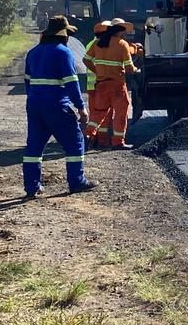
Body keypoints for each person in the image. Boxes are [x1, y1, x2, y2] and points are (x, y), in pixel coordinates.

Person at [23, 16, 96, 198]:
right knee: (75, 142)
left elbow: (27, 82)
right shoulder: (63, 53)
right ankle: (77, 181)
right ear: (64, 35)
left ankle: (32, 186)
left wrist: (35, 98)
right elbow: (72, 83)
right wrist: (81, 107)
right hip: (56, 105)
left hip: (34, 105)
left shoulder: (33, 53)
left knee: (34, 147)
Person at [82, 17, 139, 149]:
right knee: (121, 113)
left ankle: (88, 135)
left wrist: (98, 71)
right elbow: (129, 68)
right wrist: (136, 70)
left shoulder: (99, 43)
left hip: (101, 84)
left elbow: (86, 60)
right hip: (117, 85)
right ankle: (118, 142)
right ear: (120, 31)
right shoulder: (122, 44)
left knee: (99, 112)